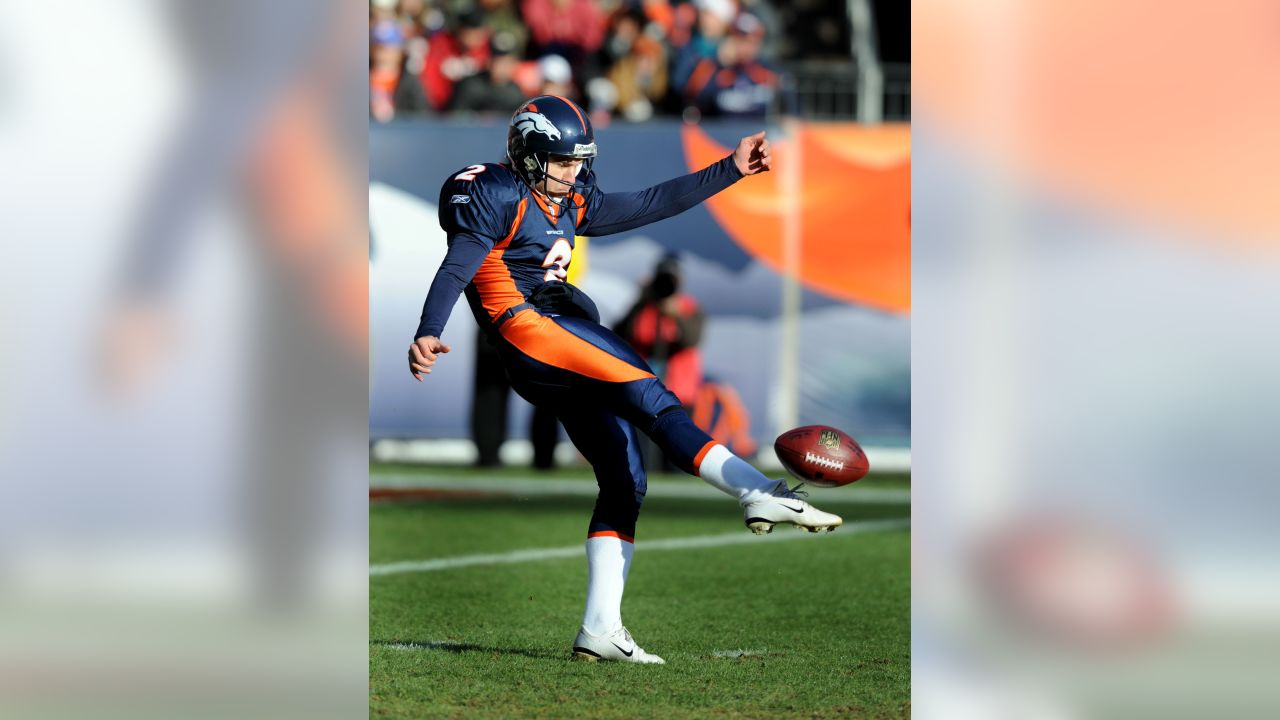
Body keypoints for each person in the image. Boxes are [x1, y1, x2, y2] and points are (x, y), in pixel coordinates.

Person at [406, 95, 843, 664]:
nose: (574, 171)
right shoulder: (496, 194)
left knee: (625, 477)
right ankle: (759, 492)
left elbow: (648, 204)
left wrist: (729, 169)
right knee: (653, 396)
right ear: (529, 156)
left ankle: (600, 630)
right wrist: (428, 328)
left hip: (547, 342)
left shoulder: (570, 199)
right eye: (562, 161)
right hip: (531, 329)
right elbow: (458, 263)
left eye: (577, 160)